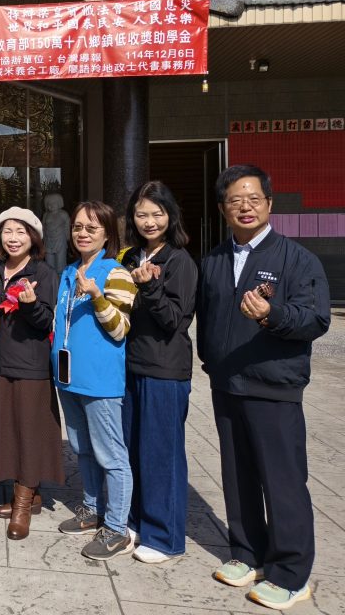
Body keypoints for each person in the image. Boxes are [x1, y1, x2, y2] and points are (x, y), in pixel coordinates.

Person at [198, 165, 330, 611]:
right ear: (223, 208)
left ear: (269, 204)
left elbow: (316, 319)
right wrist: (211, 362)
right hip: (227, 384)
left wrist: (272, 316)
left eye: (253, 198)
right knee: (238, 477)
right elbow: (208, 319)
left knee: (283, 481)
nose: (245, 207)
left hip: (274, 387)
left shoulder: (297, 259)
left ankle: (291, 573)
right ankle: (248, 553)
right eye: (235, 200)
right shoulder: (214, 259)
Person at [52, 201, 137, 560]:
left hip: (100, 381)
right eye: (78, 227)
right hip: (69, 378)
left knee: (111, 455)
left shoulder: (116, 273)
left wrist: (98, 296)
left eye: (91, 228)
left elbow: (120, 329)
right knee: (82, 448)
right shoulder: (69, 271)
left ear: (107, 234)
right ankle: (91, 508)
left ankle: (117, 529)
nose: (82, 233)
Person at [121, 182, 197, 565]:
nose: (149, 221)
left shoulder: (179, 261)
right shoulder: (131, 256)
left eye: (157, 213)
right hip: (131, 364)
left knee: (161, 453)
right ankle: (136, 521)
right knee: (133, 448)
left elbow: (174, 321)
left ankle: (164, 536)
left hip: (165, 369)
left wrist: (149, 287)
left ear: (170, 216)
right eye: (141, 214)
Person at [0, 207, 62, 540]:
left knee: (29, 433)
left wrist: (30, 305)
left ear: (34, 238)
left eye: (21, 232)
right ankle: (31, 495)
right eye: (8, 231)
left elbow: (46, 322)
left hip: (30, 365)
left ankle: (22, 506)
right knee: (8, 431)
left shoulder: (43, 273)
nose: (13, 238)